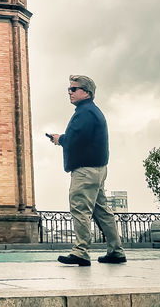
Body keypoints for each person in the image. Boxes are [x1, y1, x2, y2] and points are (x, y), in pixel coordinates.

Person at [45, 74, 126, 266]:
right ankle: (116, 251)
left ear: (86, 92)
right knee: (103, 212)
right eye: (69, 89)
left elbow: (74, 140)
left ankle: (80, 251)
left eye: (74, 89)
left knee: (80, 209)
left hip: (85, 171)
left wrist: (59, 139)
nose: (70, 93)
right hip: (98, 170)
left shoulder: (84, 113)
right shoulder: (92, 111)